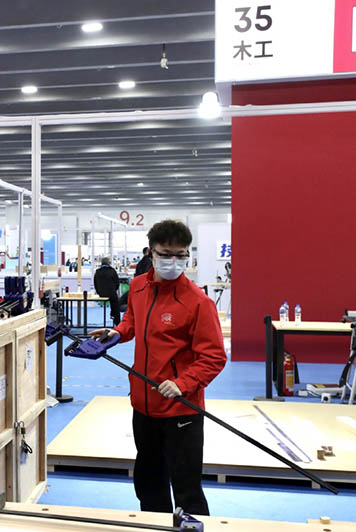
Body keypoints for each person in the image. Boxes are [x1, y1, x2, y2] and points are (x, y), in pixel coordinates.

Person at [90, 219, 226, 516]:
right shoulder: (138, 286)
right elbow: (132, 321)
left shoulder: (198, 302)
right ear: (151, 253)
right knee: (149, 483)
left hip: (181, 409)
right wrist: (116, 333)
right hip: (143, 405)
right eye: (166, 254)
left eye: (181, 255)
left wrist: (182, 383)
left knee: (187, 490)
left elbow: (214, 356)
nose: (173, 261)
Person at [93, 257, 121, 325]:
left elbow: (95, 283)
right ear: (109, 263)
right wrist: (114, 290)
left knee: (113, 298)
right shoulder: (112, 271)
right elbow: (117, 283)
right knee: (116, 305)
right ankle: (117, 322)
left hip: (101, 293)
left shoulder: (97, 271)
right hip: (111, 293)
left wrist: (98, 291)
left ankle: (113, 314)